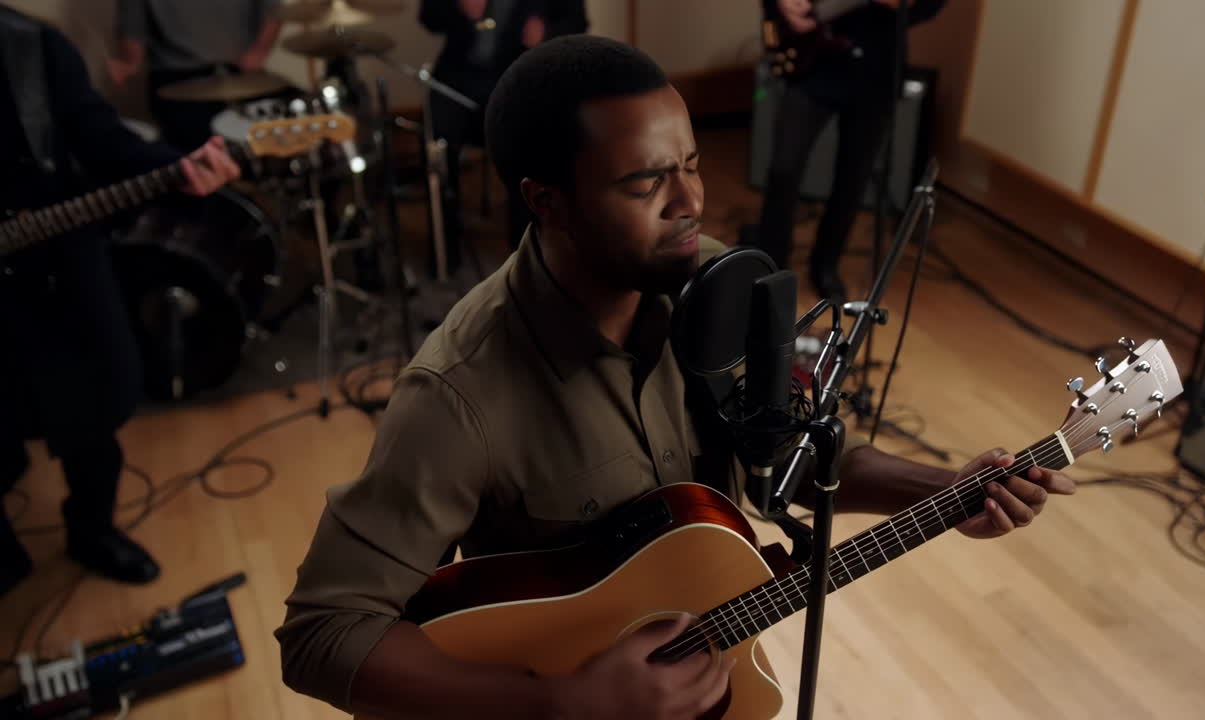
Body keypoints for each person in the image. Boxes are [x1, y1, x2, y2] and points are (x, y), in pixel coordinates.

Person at [275, 35, 1075, 719]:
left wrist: (948, 491)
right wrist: (562, 706)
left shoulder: (719, 287)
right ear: (546, 201)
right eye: (644, 182)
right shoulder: (459, 395)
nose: (691, 201)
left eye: (690, 164)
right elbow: (321, 634)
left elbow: (788, 456)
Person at [0, 6, 241, 597]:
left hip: (57, 263)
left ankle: (91, 529)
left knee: (96, 400)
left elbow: (102, 139)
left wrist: (176, 169)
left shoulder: (30, 47)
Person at [753, 0, 945, 300]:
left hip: (875, 68)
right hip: (810, 61)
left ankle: (826, 265)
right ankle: (769, 265)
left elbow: (929, 7)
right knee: (783, 167)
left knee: (853, 177)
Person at [418, 0, 588, 274]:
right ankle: (443, 246)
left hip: (517, 74)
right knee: (435, 144)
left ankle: (524, 249)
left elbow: (577, 22)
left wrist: (545, 33)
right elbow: (429, 17)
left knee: (528, 142)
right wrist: (457, 9)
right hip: (459, 76)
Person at [108, 0, 284, 152]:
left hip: (240, 71)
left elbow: (274, 11)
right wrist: (127, 65)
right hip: (177, 78)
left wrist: (258, 51)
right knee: (194, 148)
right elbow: (133, 35)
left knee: (283, 124)